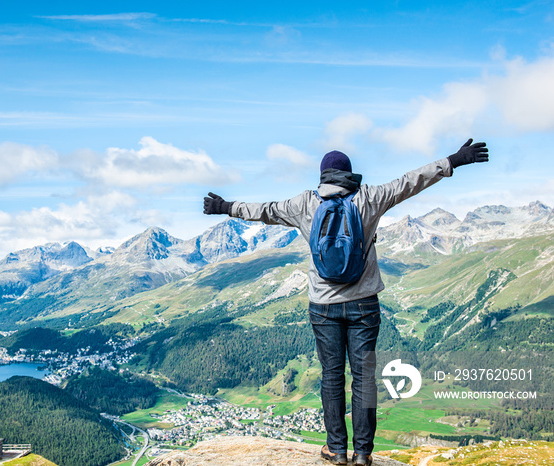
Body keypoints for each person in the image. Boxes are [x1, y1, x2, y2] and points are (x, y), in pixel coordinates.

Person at [203, 139, 488, 466]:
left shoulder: (304, 204)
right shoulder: (369, 198)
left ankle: (336, 450)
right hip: (364, 304)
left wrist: (226, 206)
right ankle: (363, 454)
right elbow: (411, 182)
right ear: (348, 174)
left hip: (322, 307)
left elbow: (264, 210)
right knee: (364, 377)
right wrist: (453, 160)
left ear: (323, 175)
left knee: (332, 376)